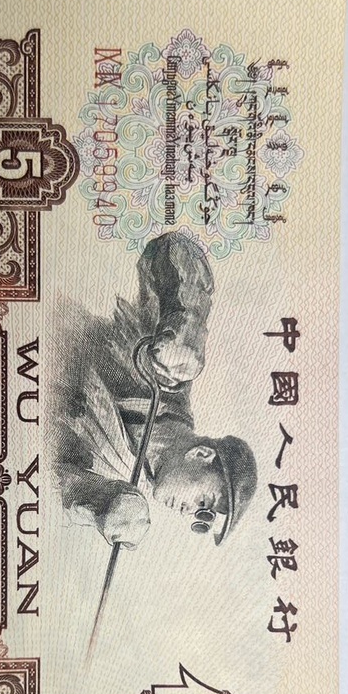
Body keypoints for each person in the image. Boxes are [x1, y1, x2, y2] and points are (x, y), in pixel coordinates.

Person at [49, 231, 257, 549]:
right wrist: (186, 321)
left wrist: (103, 502)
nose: (189, 512)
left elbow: (52, 477)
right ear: (202, 454)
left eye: (200, 516)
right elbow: (171, 249)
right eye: (204, 502)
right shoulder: (166, 378)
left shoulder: (123, 485)